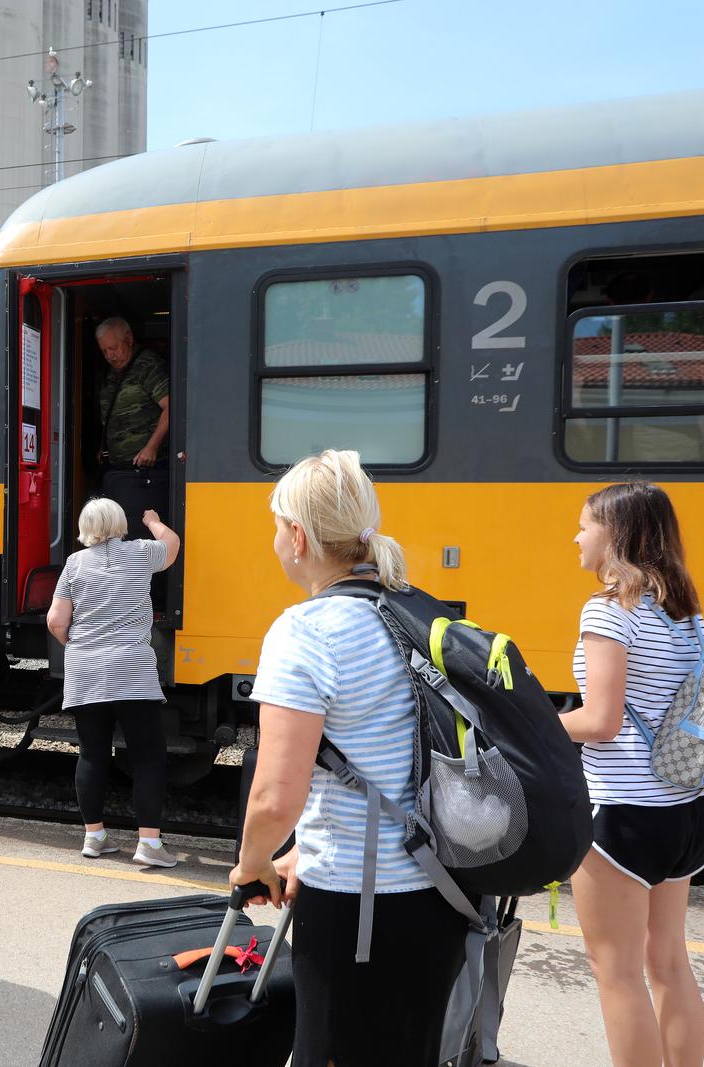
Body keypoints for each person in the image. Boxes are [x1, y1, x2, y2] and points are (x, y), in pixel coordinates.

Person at [229, 449, 463, 1067]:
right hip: (441, 894)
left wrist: (253, 863)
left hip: (358, 911)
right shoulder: (412, 610)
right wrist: (305, 848)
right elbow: (391, 759)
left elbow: (275, 797)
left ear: (297, 537)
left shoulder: (305, 631)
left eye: (276, 526)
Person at [562, 482, 704, 1067]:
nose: (576, 537)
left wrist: (534, 728)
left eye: (585, 526)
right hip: (686, 808)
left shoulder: (609, 611)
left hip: (623, 813)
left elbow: (599, 721)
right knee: (669, 962)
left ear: (616, 534)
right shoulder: (683, 613)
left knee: (617, 972)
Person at [46, 499, 181, 868]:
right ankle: (148, 844)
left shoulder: (74, 563)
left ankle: (94, 837)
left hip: (85, 670)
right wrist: (153, 520)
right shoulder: (141, 552)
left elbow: (56, 621)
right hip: (131, 670)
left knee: (92, 753)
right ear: (120, 523)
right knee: (148, 757)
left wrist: (81, 647)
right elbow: (172, 544)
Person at [95, 317, 170, 539]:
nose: (109, 355)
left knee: (136, 535)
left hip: (146, 473)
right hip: (118, 472)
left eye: (113, 348)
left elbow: (171, 407)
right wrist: (103, 446)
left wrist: (151, 447)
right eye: (104, 351)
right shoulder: (111, 373)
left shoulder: (148, 366)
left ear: (128, 338)